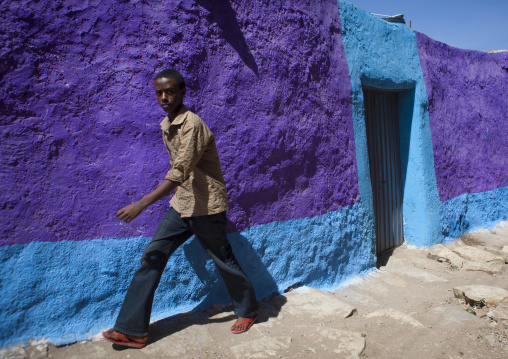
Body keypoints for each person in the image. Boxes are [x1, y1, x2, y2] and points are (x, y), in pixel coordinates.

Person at [103, 69, 259, 348]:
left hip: (207, 206)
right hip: (182, 204)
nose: (164, 97)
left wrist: (142, 203)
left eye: (170, 91)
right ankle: (133, 330)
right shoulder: (167, 124)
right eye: (159, 93)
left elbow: (180, 170)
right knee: (153, 255)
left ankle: (248, 309)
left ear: (182, 92)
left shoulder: (193, 124)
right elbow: (179, 176)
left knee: (222, 258)